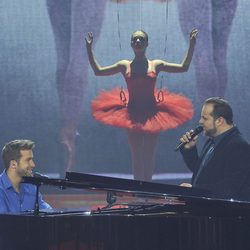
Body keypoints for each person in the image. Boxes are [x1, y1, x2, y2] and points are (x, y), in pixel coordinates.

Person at [86, 29, 197, 181]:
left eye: (141, 39)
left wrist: (191, 44)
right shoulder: (124, 65)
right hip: (132, 115)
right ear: (131, 43)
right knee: (137, 155)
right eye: (135, 39)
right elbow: (98, 71)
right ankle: (137, 192)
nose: (138, 41)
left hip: (153, 114)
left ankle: (147, 190)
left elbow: (183, 67)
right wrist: (89, 49)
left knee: (149, 155)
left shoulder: (155, 64)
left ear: (147, 43)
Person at [179, 97, 250, 200]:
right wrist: (190, 149)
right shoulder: (212, 141)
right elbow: (202, 174)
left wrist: (194, 190)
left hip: (222, 214)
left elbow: (228, 189)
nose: (200, 121)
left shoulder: (239, 147)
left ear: (219, 121)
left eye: (205, 118)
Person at [0, 140, 52, 213]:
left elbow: (48, 212)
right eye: (28, 160)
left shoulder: (31, 187)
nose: (33, 164)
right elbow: (5, 222)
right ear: (13, 164)